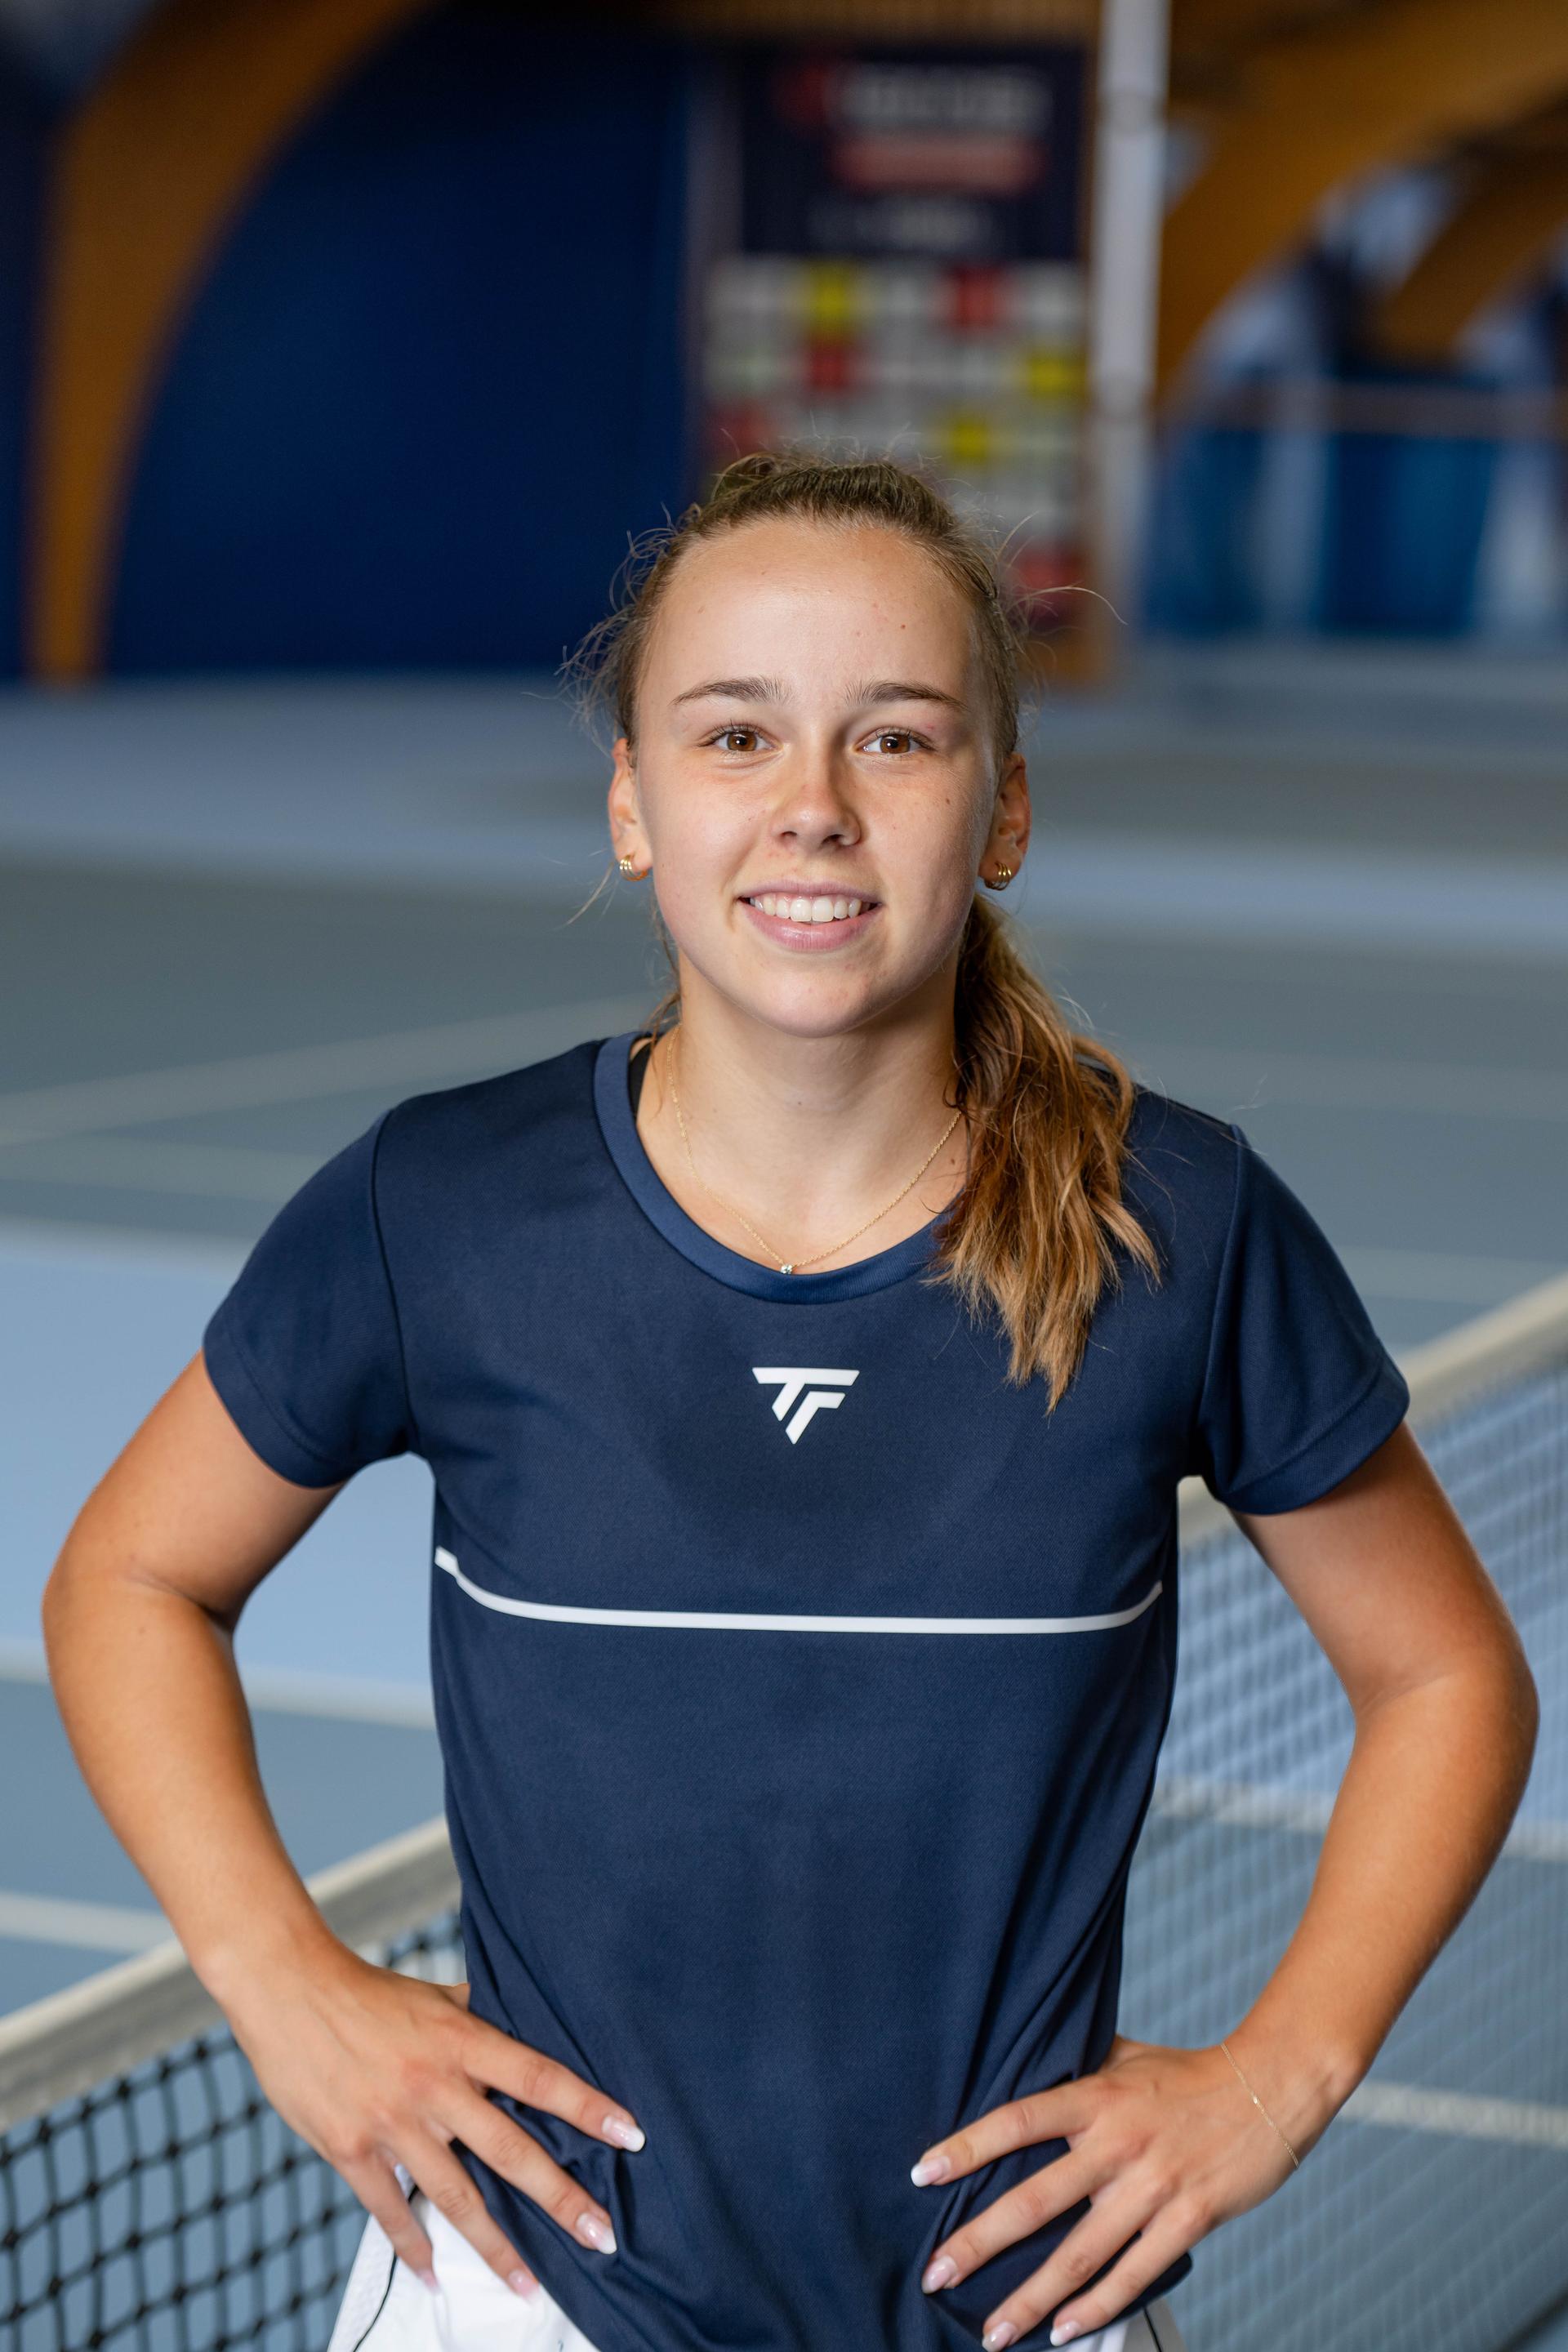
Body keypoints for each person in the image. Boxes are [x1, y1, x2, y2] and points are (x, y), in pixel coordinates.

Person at [42, 452, 1537, 2352]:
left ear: (1002, 809)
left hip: (1019, 2303)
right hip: (524, 2290)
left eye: (895, 742)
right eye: (735, 734)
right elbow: (128, 1582)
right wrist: (281, 1981)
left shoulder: (1188, 1231)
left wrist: (1286, 2068)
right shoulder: (442, 1212)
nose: (812, 810)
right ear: (634, 803)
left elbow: (1447, 1677)